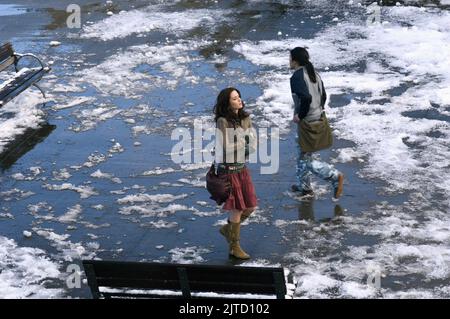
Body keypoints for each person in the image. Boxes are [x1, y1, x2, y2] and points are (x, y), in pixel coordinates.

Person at [290, 47, 344, 199]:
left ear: (295, 60)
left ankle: (334, 176)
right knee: (303, 155)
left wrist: (300, 115)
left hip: (307, 122)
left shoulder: (297, 76)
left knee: (304, 159)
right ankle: (305, 187)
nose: (289, 61)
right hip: (318, 117)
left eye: (290, 58)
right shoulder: (315, 74)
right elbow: (324, 95)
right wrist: (318, 110)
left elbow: (305, 98)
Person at [214, 87, 257, 260]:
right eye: (234, 98)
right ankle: (234, 246)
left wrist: (245, 143)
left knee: (250, 206)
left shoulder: (246, 118)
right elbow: (226, 147)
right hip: (229, 170)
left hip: (242, 167)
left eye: (239, 97)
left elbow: (252, 144)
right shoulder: (223, 121)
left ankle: (228, 230)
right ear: (227, 103)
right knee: (237, 208)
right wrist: (243, 142)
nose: (239, 100)